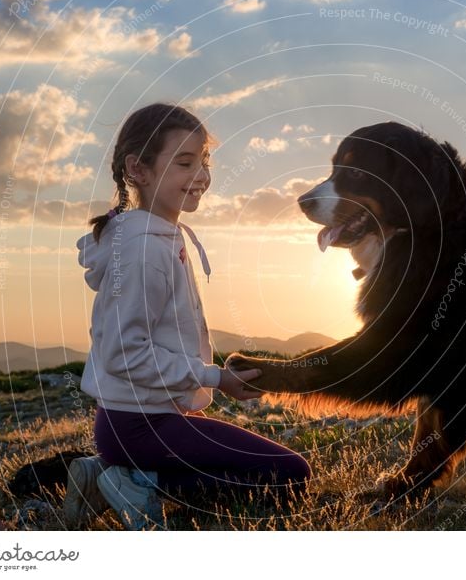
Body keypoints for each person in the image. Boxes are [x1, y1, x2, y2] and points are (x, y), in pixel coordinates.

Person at [64, 103, 311, 530]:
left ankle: (112, 474)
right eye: (184, 163)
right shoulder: (144, 249)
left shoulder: (157, 236)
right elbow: (124, 354)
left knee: (273, 470)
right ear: (138, 169)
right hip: (138, 425)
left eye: (204, 161)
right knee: (290, 475)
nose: (201, 176)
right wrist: (213, 377)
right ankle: (139, 479)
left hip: (146, 418)